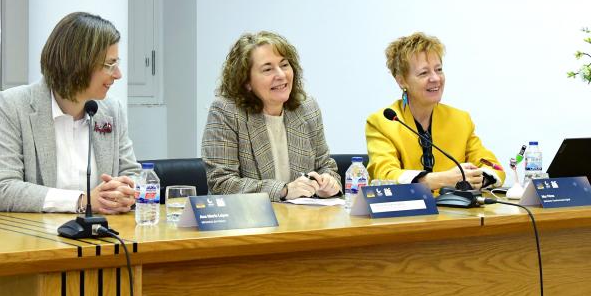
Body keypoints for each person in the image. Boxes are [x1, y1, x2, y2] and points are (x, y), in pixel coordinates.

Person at [0, 12, 139, 213]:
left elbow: (132, 173)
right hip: (26, 238)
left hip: (99, 236)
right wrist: (84, 201)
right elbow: (2, 189)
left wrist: (125, 193)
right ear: (78, 64)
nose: (118, 74)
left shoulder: (111, 110)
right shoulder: (12, 105)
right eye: (110, 65)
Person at [202, 31, 341, 201]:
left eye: (284, 65)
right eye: (268, 69)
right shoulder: (226, 111)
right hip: (245, 223)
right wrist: (284, 190)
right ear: (246, 82)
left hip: (301, 221)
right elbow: (221, 183)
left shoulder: (307, 108)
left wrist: (328, 183)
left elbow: (325, 166)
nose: (281, 75)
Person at [365, 32, 505, 191]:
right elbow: (384, 175)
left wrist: (477, 180)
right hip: (407, 213)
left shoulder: (460, 120)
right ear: (401, 80)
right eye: (424, 73)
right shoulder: (383, 122)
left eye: (438, 70)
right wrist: (442, 179)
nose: (435, 78)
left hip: (456, 212)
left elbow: (495, 168)